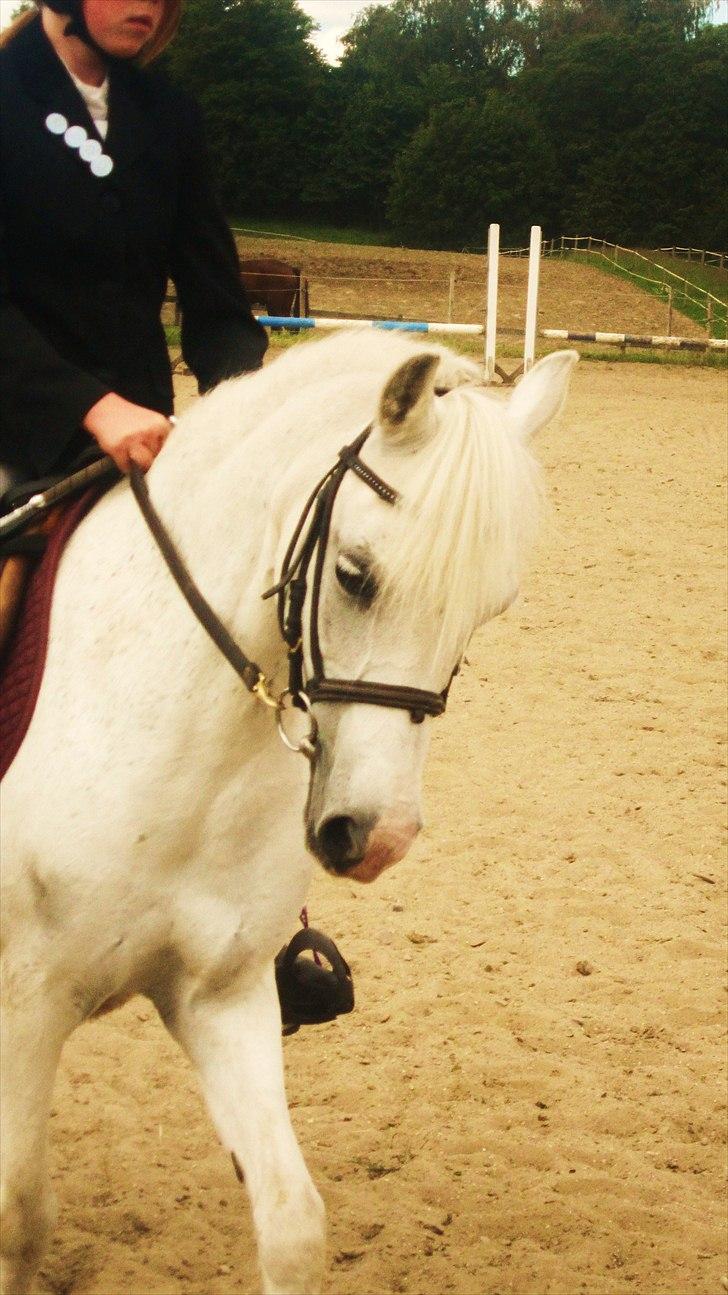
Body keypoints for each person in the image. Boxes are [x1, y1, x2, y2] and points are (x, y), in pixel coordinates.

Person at [0, 0, 353, 1031]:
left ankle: (267, 913)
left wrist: (262, 418)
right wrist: (84, 402)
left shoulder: (169, 116)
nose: (144, 1)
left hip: (144, 437)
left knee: (258, 622)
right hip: (21, 423)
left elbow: (211, 296)